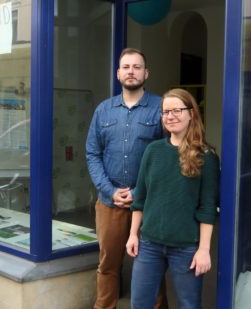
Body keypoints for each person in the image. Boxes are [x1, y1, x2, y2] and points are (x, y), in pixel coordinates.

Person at [86, 48, 165, 309]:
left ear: (146, 73)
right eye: (126, 67)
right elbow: (92, 154)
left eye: (137, 66)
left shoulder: (160, 109)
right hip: (110, 204)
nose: (131, 71)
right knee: (108, 266)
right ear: (118, 73)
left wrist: (141, 192)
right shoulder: (103, 111)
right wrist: (109, 191)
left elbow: (168, 156)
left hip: (149, 204)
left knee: (151, 266)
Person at [126, 88, 219, 309]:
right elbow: (140, 198)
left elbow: (207, 207)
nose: (170, 116)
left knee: (189, 305)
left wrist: (204, 249)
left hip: (186, 247)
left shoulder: (206, 156)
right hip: (149, 244)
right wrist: (133, 235)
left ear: (192, 114)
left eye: (177, 110)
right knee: (139, 304)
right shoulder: (153, 150)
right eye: (166, 112)